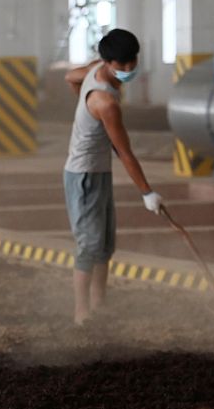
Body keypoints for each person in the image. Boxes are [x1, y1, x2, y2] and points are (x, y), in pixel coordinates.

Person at [63, 28, 163, 326]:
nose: (129, 67)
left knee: (105, 245)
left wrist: (84, 112)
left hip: (99, 170)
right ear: (108, 62)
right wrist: (147, 192)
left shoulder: (95, 69)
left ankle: (100, 305)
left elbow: (70, 77)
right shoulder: (105, 103)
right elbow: (125, 152)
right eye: (122, 63)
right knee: (89, 246)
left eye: (132, 60)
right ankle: (81, 314)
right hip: (83, 174)